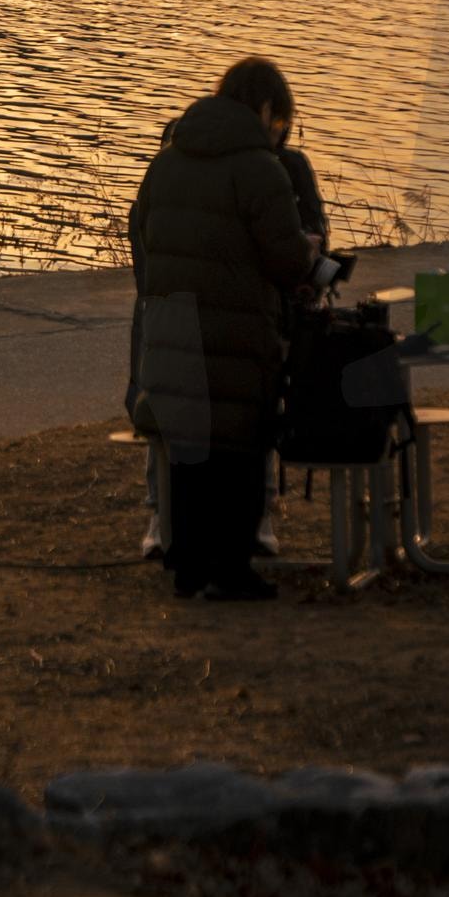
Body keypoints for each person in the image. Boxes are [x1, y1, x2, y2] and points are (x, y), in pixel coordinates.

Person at [134, 55, 320, 600]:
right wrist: (307, 254)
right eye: (280, 122)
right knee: (240, 447)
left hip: (172, 326)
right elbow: (286, 260)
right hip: (235, 333)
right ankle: (233, 569)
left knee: (189, 449)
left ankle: (188, 566)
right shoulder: (259, 170)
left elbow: (143, 234)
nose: (279, 133)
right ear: (265, 110)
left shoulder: (167, 162)